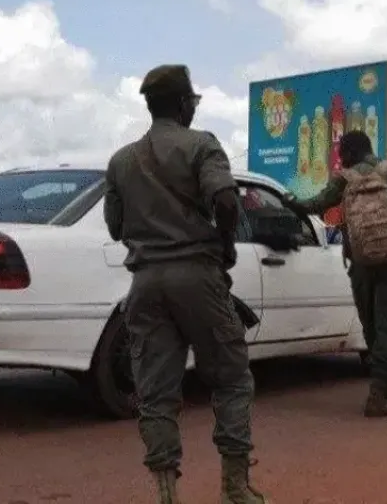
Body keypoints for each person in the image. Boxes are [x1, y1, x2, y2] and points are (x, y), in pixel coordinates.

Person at [104, 64, 266, 504]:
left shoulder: (121, 161)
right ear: (182, 104)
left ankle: (166, 495)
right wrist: (225, 244)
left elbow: (115, 227)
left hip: (145, 284)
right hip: (197, 277)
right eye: (191, 101)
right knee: (232, 379)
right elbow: (226, 201)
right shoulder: (202, 145)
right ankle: (235, 489)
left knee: (155, 393)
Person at [284, 130, 387, 418]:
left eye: (341, 153)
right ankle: (380, 393)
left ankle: (382, 388)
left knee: (371, 325)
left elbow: (314, 205)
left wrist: (291, 202)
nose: (340, 159)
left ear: (349, 152)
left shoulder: (344, 179)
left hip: (360, 262)